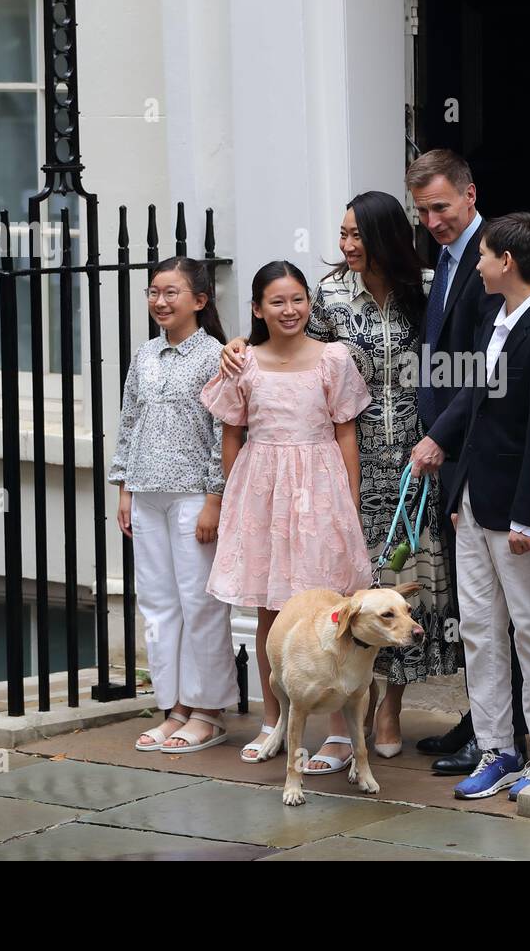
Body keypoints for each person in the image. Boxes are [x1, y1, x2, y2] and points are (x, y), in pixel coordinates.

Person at [219, 192, 458, 771]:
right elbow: (288, 345)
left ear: (383, 238)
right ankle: (320, 715)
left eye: (356, 235)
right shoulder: (326, 295)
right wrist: (237, 345)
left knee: (397, 588)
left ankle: (387, 710)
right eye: (342, 234)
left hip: (415, 458)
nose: (347, 245)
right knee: (335, 593)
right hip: (343, 463)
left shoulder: (425, 289)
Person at [201, 260, 375, 769]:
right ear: (257, 309)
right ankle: (273, 723)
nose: (290, 309)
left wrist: (348, 500)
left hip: (320, 490)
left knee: (333, 611)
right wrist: (238, 499)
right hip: (263, 493)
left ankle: (340, 732)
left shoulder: (332, 359)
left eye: (298, 299)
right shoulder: (243, 363)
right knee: (270, 613)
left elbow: (346, 432)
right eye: (277, 301)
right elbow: (232, 434)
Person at [411, 212, 530, 801]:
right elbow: (474, 403)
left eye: (485, 256)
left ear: (509, 264)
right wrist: (454, 479)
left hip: (518, 512)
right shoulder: (493, 319)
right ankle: (497, 746)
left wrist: (529, 515)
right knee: (479, 627)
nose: (476, 264)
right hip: (472, 501)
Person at [405, 149, 528, 776]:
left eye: (442, 208)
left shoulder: (493, 259)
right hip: (451, 451)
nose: (431, 221)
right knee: (471, 607)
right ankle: (483, 720)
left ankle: (505, 732)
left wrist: (441, 436)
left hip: (475, 450)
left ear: (471, 195)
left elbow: (482, 370)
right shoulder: (446, 257)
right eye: (422, 210)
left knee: (498, 607)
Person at [110, 256, 239, 754]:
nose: (160, 302)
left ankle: (209, 710)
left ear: (200, 301)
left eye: (172, 293)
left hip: (192, 496)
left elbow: (222, 434)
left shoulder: (216, 356)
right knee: (159, 604)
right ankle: (175, 707)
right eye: (153, 292)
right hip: (146, 494)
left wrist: (213, 500)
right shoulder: (144, 355)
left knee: (200, 603)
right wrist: (124, 487)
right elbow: (130, 420)